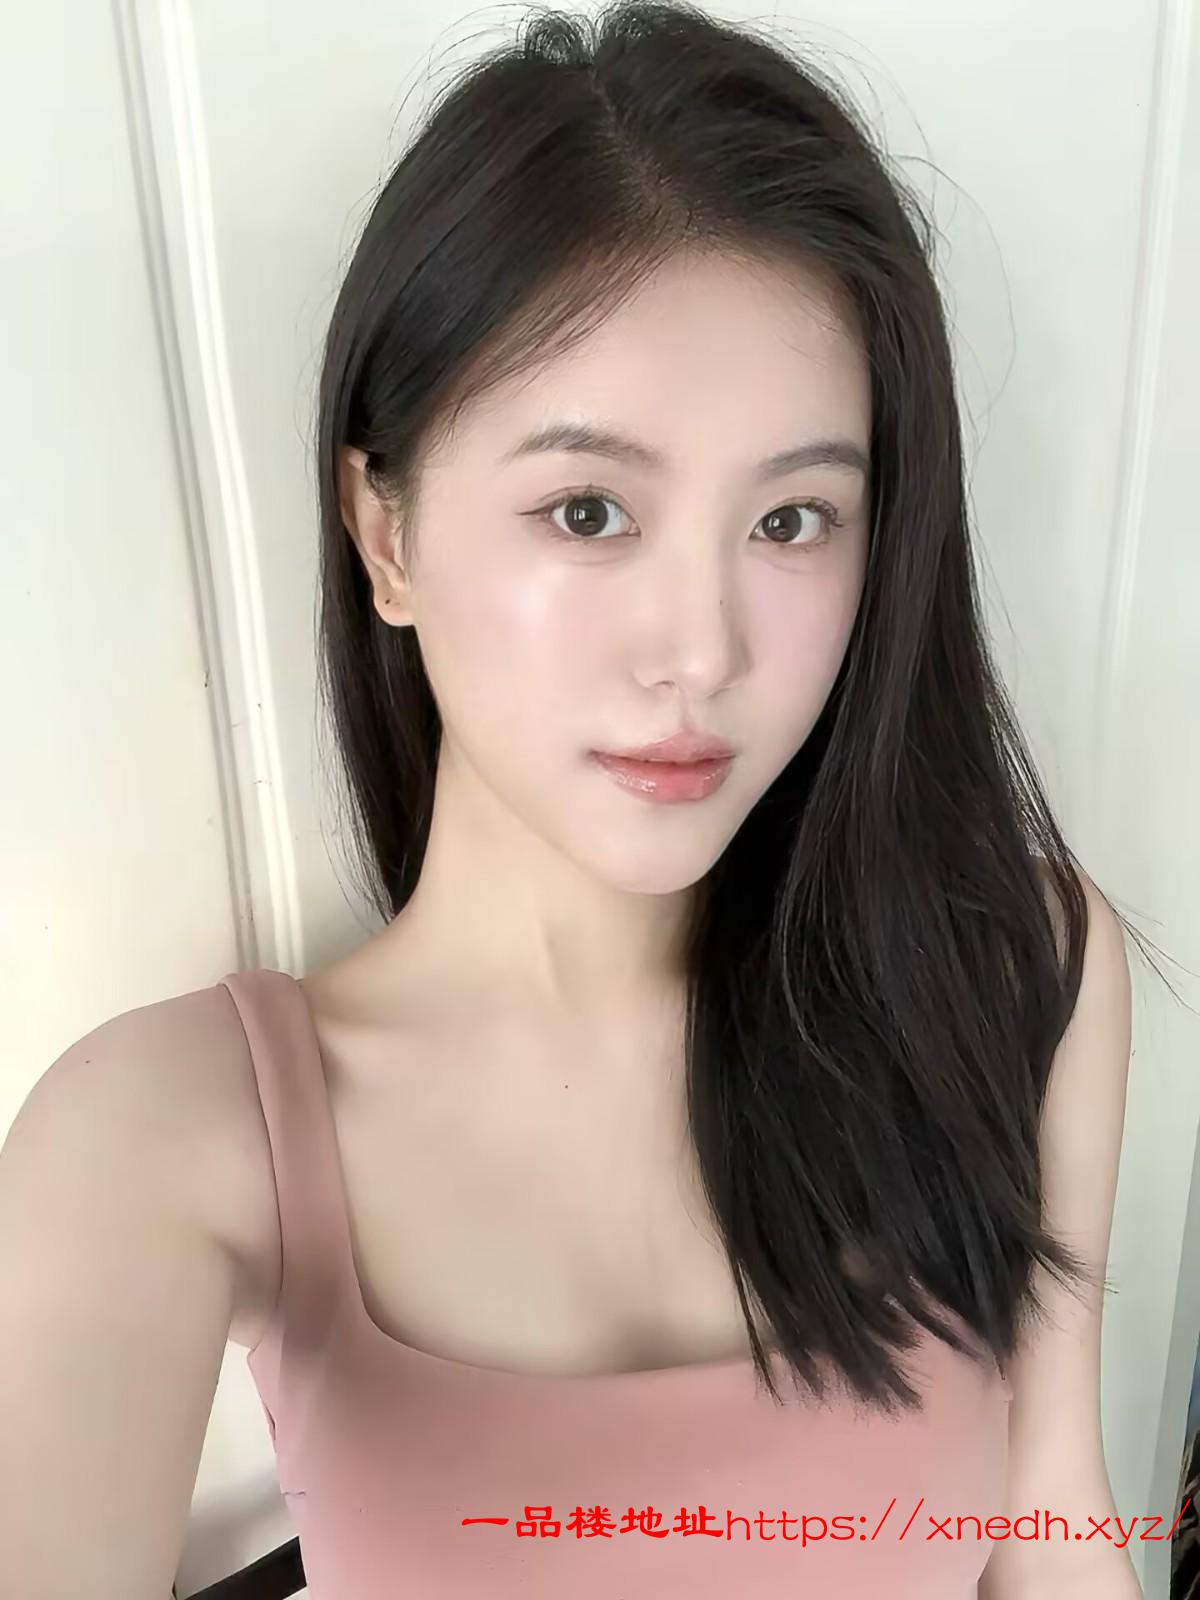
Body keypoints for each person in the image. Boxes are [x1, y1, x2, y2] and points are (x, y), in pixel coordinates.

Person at [0, 2, 1146, 1595]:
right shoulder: (174, 1132)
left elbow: (1057, 1529)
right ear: (386, 536)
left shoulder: (1005, 971)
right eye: (590, 509)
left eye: (794, 520)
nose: (702, 652)